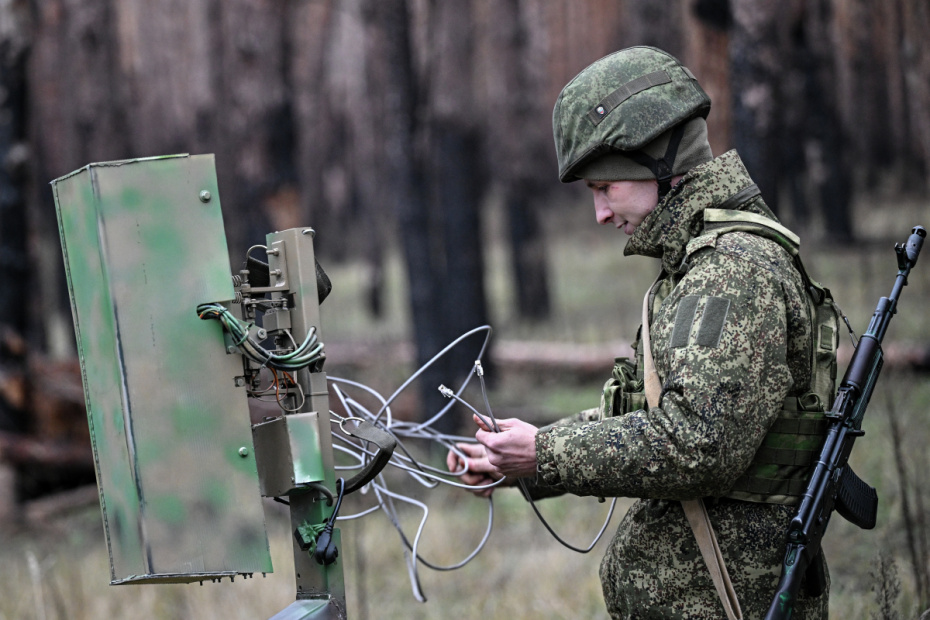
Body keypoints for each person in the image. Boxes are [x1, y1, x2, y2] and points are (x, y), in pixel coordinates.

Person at [447, 46, 837, 619]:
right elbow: (650, 414)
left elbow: (698, 445)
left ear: (661, 161)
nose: (601, 214)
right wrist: (523, 459)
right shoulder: (694, 265)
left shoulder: (732, 270)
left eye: (605, 187)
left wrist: (546, 453)